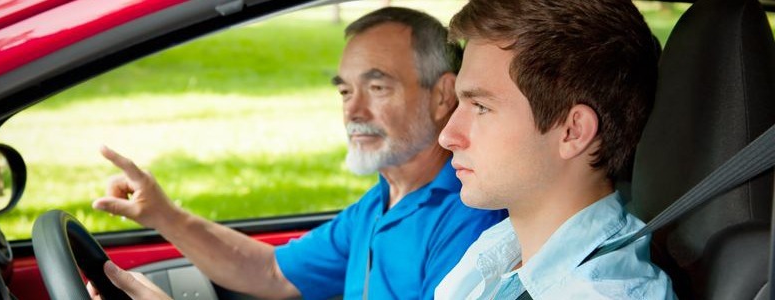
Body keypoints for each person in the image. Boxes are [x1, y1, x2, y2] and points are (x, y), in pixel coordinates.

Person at [89, 7, 507, 300]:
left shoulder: (469, 215)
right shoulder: (382, 201)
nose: (353, 111)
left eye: (377, 88)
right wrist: (163, 214)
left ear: (442, 95)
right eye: (345, 90)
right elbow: (271, 272)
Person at [434, 0, 675, 299]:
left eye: (481, 107)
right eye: (461, 104)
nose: (447, 136)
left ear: (572, 132)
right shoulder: (501, 250)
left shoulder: (602, 292)